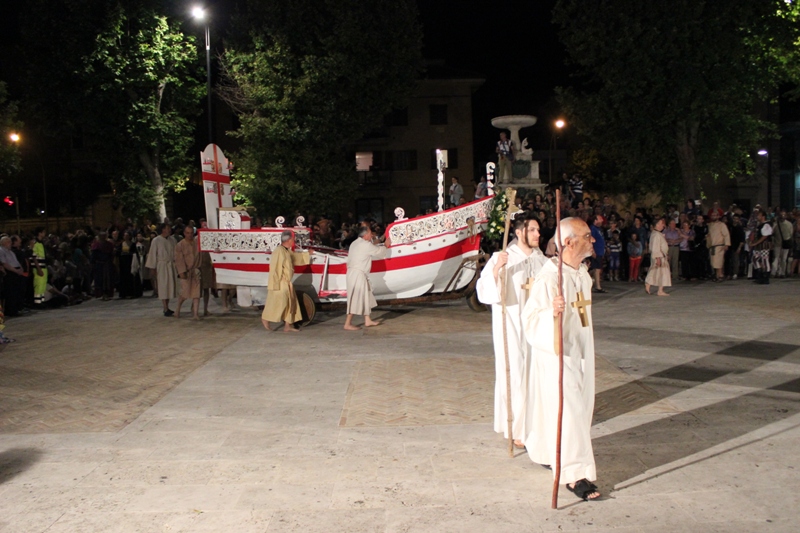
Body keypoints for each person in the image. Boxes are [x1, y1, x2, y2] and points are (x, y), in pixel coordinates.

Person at [521, 217, 600, 501]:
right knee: (570, 410)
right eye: (587, 236)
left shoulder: (581, 273)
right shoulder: (549, 278)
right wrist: (550, 313)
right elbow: (530, 321)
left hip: (581, 351)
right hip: (558, 354)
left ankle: (548, 452)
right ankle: (574, 473)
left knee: (578, 406)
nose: (592, 240)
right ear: (568, 242)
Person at [476, 213, 547, 447]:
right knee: (515, 373)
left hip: (535, 325)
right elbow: (484, 290)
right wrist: (497, 269)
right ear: (519, 232)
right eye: (533, 230)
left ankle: (535, 423)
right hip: (512, 324)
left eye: (538, 230)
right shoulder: (503, 257)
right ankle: (516, 427)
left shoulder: (541, 259)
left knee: (535, 373)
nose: (538, 234)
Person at [261, 230, 310, 332]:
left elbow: (295, 258)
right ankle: (266, 318)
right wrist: (275, 283)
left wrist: (307, 254)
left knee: (291, 303)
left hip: (286, 282)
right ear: (289, 240)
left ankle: (288, 325)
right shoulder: (279, 251)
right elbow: (274, 268)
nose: (294, 241)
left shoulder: (286, 251)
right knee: (280, 303)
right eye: (293, 239)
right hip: (281, 282)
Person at [344, 225, 389, 330]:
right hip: (357, 275)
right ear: (365, 235)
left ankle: (367, 320)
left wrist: (380, 241)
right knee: (355, 298)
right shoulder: (365, 245)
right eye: (370, 233)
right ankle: (347, 324)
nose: (371, 235)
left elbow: (371, 247)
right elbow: (379, 252)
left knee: (366, 295)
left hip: (353, 273)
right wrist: (386, 245)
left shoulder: (355, 243)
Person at [145, 223, 179, 316]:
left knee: (169, 287)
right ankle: (165, 307)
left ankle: (167, 306)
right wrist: (152, 267)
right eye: (167, 228)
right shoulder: (156, 240)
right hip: (162, 266)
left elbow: (176, 253)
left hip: (170, 265)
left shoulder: (173, 240)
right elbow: (152, 254)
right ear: (163, 229)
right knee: (163, 286)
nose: (169, 230)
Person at [174, 226, 202, 320]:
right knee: (184, 293)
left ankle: (195, 314)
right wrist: (182, 272)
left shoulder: (197, 243)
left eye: (191, 233)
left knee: (196, 293)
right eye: (187, 233)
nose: (189, 235)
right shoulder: (180, 245)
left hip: (196, 270)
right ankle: (178, 309)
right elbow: (179, 260)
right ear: (184, 233)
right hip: (186, 271)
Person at [0, 236, 26, 316]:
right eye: (9, 242)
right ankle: (11, 311)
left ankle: (16, 309)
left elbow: (16, 261)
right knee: (11, 292)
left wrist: (21, 268)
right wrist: (15, 270)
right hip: (10, 273)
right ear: (4, 243)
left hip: (16, 272)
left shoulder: (11, 252)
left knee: (16, 291)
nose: (11, 243)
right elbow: (5, 263)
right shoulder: (1, 251)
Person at [645, 218, 671, 296]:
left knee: (659, 272)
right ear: (656, 225)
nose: (662, 225)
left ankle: (658, 289)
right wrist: (658, 258)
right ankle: (651, 284)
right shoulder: (656, 234)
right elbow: (655, 247)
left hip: (661, 255)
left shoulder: (656, 234)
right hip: (659, 256)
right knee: (660, 272)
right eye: (660, 223)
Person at [750, 209, 772, 285]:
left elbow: (765, 236)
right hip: (758, 246)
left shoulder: (766, 225)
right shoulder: (759, 225)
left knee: (765, 260)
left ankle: (765, 277)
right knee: (755, 259)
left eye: (759, 215)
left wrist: (756, 243)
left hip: (764, 245)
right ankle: (759, 275)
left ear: (763, 216)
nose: (757, 217)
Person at [706, 210, 730, 282]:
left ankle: (720, 275)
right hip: (712, 246)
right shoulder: (710, 225)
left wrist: (726, 244)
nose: (713, 217)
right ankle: (717, 275)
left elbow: (726, 235)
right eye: (712, 215)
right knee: (714, 262)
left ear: (718, 216)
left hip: (719, 246)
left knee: (719, 261)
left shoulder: (722, 225)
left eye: (715, 215)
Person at [90, 232, 115, 300]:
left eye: (104, 236)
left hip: (108, 264)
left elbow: (111, 254)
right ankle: (101, 293)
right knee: (100, 279)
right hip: (99, 265)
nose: (103, 237)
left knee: (108, 279)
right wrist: (92, 263)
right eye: (102, 236)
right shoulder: (96, 245)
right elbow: (93, 255)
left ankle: (107, 293)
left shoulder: (109, 244)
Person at [771, 211, 792, 278]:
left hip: (779, 243)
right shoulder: (789, 224)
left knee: (778, 258)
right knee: (782, 259)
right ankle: (781, 272)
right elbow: (790, 234)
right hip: (782, 243)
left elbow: (772, 233)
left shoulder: (776, 224)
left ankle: (776, 272)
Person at [589, 215, 606, 293]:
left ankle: (596, 285)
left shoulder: (599, 229)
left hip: (600, 251)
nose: (602, 220)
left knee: (597, 268)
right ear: (595, 220)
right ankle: (597, 286)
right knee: (596, 268)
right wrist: (592, 251)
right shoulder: (593, 229)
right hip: (596, 251)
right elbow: (590, 240)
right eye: (600, 219)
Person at [32, 227, 47, 305]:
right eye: (43, 232)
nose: (44, 234)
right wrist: (38, 268)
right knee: (38, 285)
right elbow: (33, 257)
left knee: (42, 285)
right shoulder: (35, 243)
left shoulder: (41, 243)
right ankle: (37, 302)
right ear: (39, 233)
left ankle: (41, 301)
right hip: (38, 267)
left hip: (43, 266)